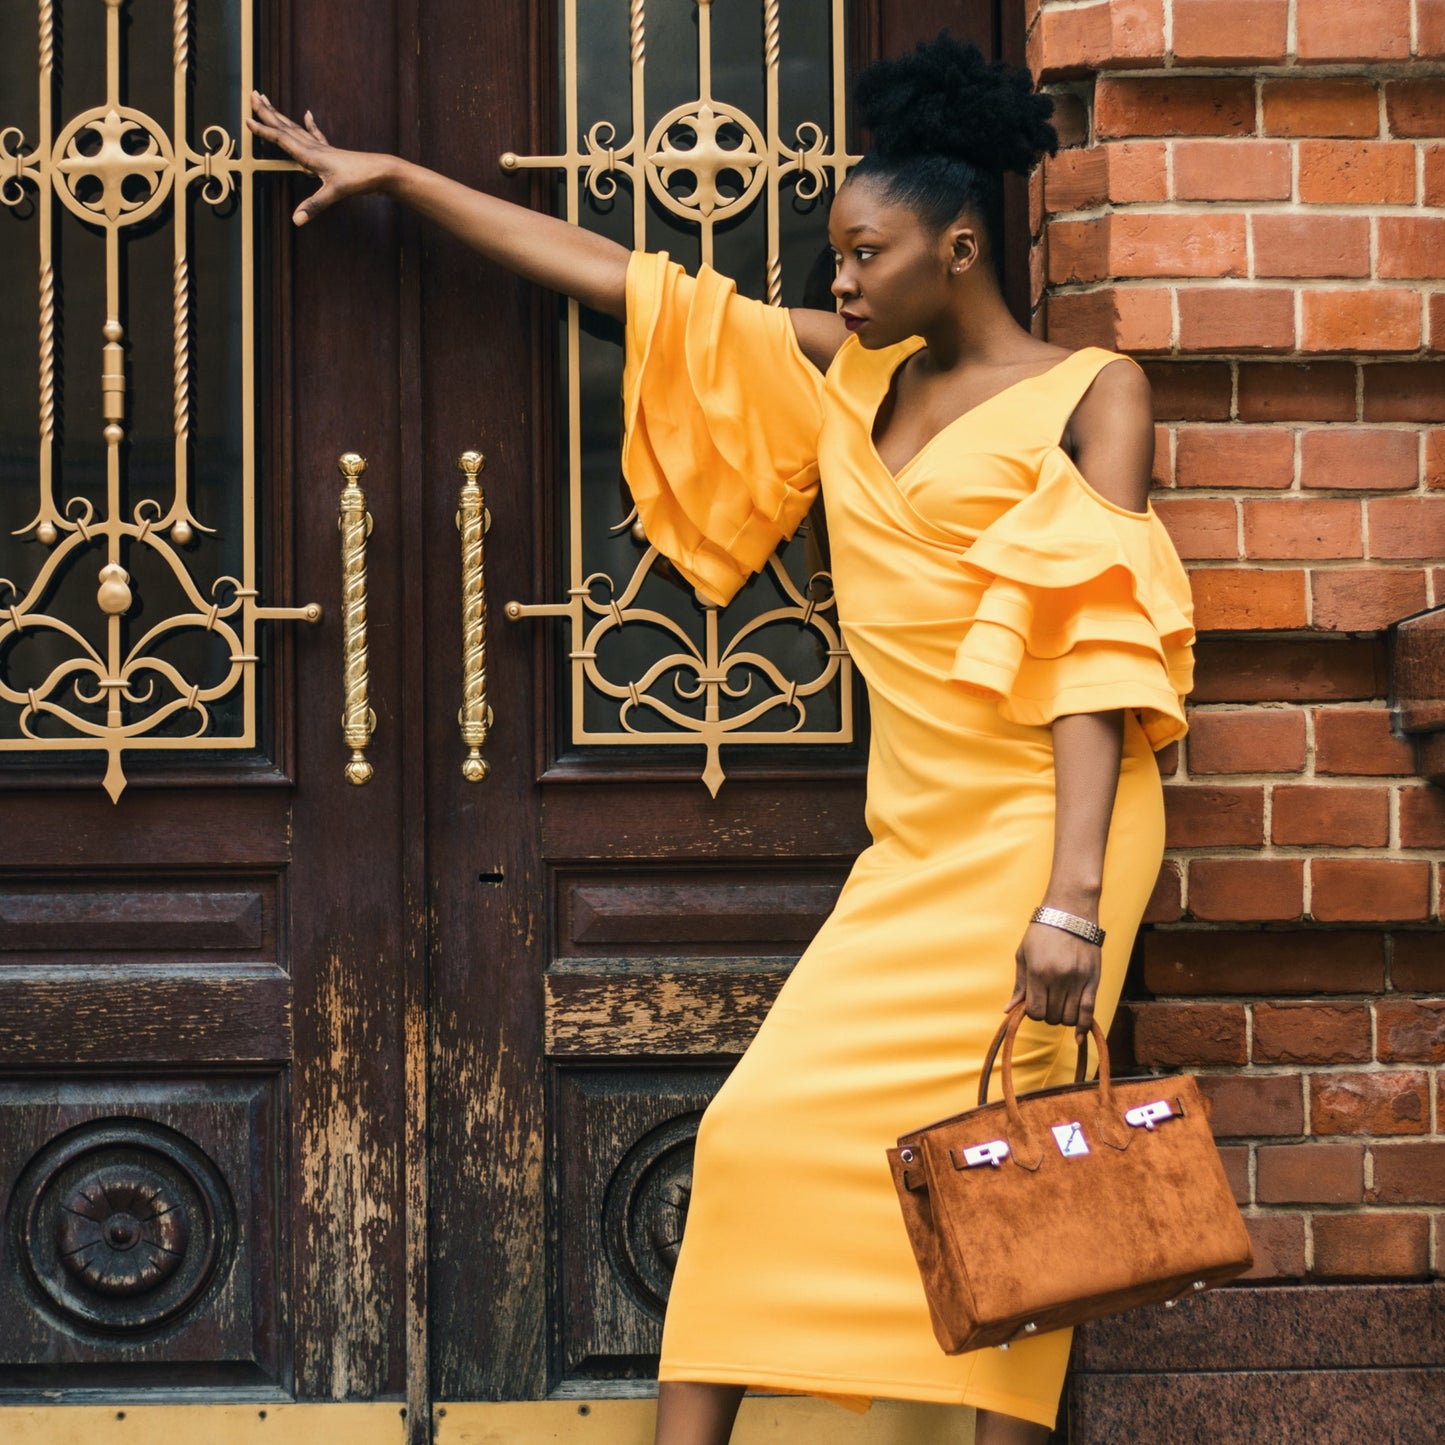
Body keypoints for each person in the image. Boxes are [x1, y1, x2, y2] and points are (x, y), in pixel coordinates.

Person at [249, 35, 1193, 1445]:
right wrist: (401, 178)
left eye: (865, 254)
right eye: (836, 259)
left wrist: (1065, 898)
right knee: (756, 1139)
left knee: (1020, 1173)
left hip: (1045, 832)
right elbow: (623, 283)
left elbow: (1093, 657)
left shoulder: (1090, 394)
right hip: (914, 840)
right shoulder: (851, 381)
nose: (841, 281)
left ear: (957, 244)